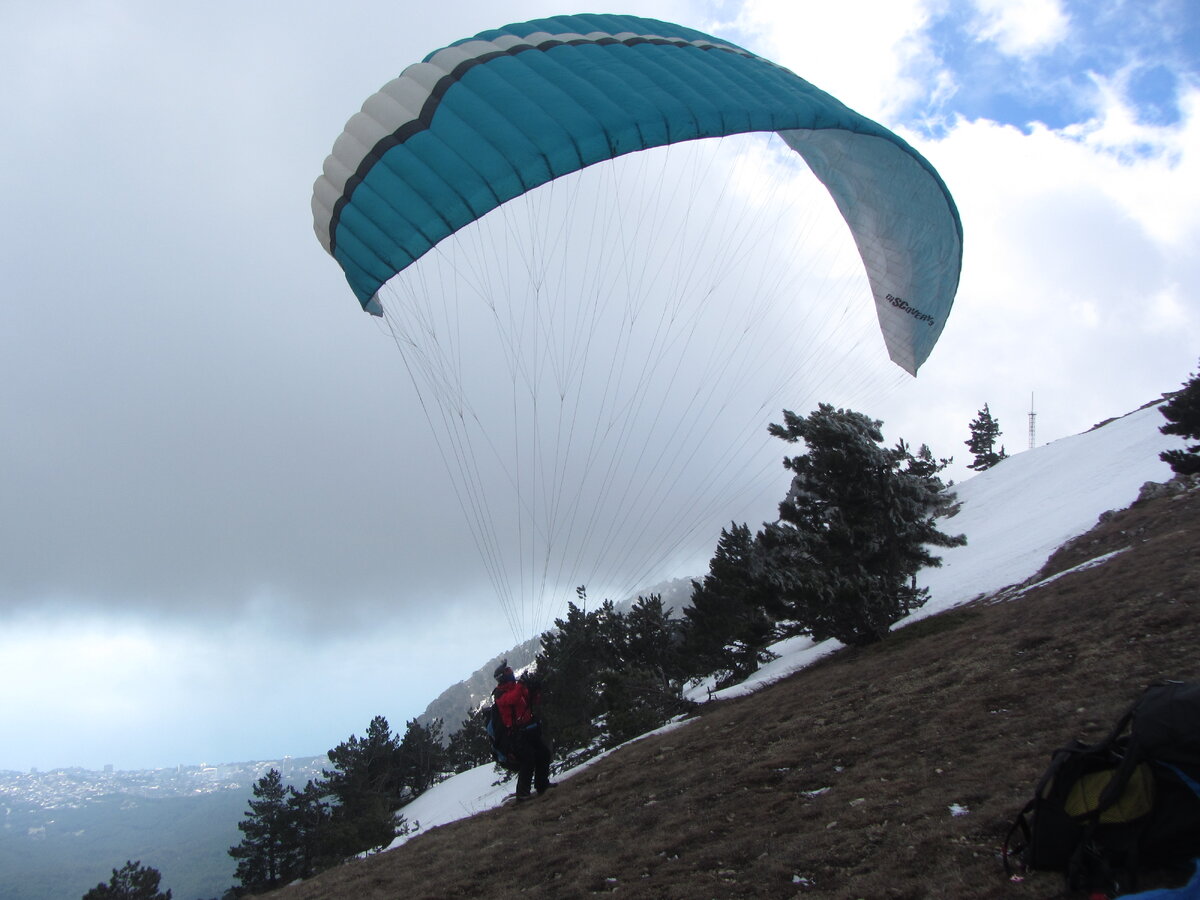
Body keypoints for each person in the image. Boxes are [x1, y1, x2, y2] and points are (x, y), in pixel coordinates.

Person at [492, 660, 554, 800]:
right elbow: (512, 699)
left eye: (511, 670)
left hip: (529, 729)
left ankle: (542, 785)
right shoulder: (500, 694)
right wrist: (521, 684)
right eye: (508, 672)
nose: (511, 673)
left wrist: (536, 688)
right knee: (528, 758)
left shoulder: (517, 687)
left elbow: (533, 700)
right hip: (516, 735)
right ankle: (522, 794)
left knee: (543, 753)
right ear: (502, 677)